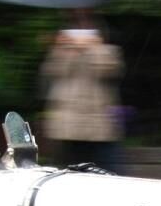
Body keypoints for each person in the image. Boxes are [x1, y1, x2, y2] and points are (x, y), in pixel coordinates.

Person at [39, 9, 124, 169]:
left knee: (112, 172)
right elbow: (53, 73)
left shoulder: (108, 51)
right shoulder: (61, 51)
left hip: (99, 126)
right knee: (71, 173)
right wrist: (65, 49)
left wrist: (93, 48)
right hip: (67, 126)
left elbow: (107, 72)